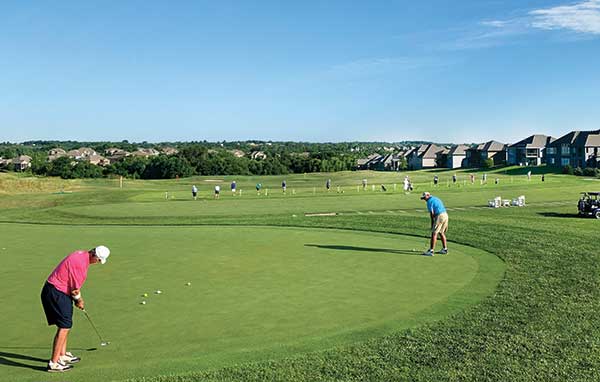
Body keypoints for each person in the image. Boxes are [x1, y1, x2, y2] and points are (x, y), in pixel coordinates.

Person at [41, 246, 110, 372]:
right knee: (65, 326)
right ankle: (54, 363)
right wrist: (79, 300)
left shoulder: (81, 254)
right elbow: (75, 290)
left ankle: (62, 355)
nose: (98, 263)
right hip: (56, 292)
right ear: (95, 257)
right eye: (99, 261)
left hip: (59, 291)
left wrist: (77, 299)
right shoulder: (80, 265)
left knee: (66, 323)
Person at [420, 192, 448, 256]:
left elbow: (432, 214)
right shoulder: (436, 198)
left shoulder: (429, 202)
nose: (425, 200)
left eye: (425, 198)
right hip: (445, 215)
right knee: (441, 232)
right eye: (423, 198)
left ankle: (431, 251)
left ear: (428, 196)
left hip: (440, 216)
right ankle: (445, 249)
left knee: (434, 233)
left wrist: (432, 223)